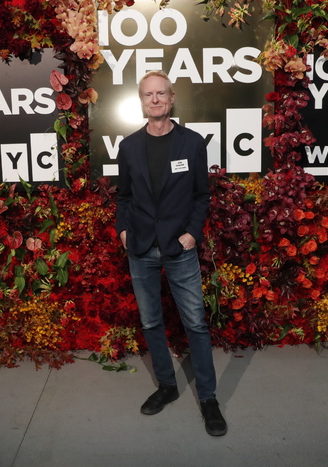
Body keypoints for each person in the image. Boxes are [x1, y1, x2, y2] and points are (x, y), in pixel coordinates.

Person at [115, 70, 227, 436]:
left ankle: (208, 398)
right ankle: (167, 386)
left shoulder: (192, 143)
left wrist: (193, 234)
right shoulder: (129, 146)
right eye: (149, 95)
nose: (156, 100)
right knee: (150, 322)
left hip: (181, 248)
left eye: (161, 93)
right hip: (141, 248)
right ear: (142, 101)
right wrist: (122, 230)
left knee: (195, 323)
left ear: (172, 97)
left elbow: (201, 195)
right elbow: (124, 196)